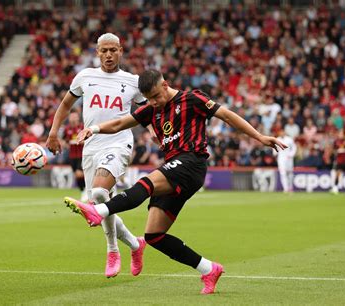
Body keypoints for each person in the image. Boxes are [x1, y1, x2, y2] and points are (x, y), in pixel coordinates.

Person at [65, 69, 287, 294]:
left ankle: (99, 211)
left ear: (165, 85)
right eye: (148, 99)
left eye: (155, 96)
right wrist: (92, 129)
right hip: (174, 167)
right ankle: (209, 269)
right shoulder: (152, 110)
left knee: (147, 183)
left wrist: (259, 137)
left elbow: (227, 116)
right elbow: (119, 123)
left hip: (192, 162)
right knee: (154, 236)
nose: (153, 102)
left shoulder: (192, 99)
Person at [46, 33, 147, 278]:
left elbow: (149, 110)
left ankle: (112, 251)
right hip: (90, 147)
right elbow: (65, 105)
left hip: (119, 143)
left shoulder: (133, 81)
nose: (109, 55)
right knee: (102, 205)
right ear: (97, 52)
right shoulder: (85, 76)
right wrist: (53, 133)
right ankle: (135, 244)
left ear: (121, 50)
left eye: (113, 50)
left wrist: (156, 132)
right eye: (104, 51)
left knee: (100, 194)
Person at [64, 110, 87, 201]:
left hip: (83, 154)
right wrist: (65, 143)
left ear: (78, 118)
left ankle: (86, 190)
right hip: (72, 156)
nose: (73, 119)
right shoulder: (67, 129)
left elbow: (89, 139)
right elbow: (64, 141)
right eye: (71, 117)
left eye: (74, 117)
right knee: (77, 175)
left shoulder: (83, 127)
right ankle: (83, 191)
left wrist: (83, 142)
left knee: (79, 174)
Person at [330, 131, 345, 195]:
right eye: (340, 133)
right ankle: (335, 187)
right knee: (337, 174)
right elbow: (334, 150)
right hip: (339, 160)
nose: (341, 135)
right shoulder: (336, 142)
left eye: (342, 134)